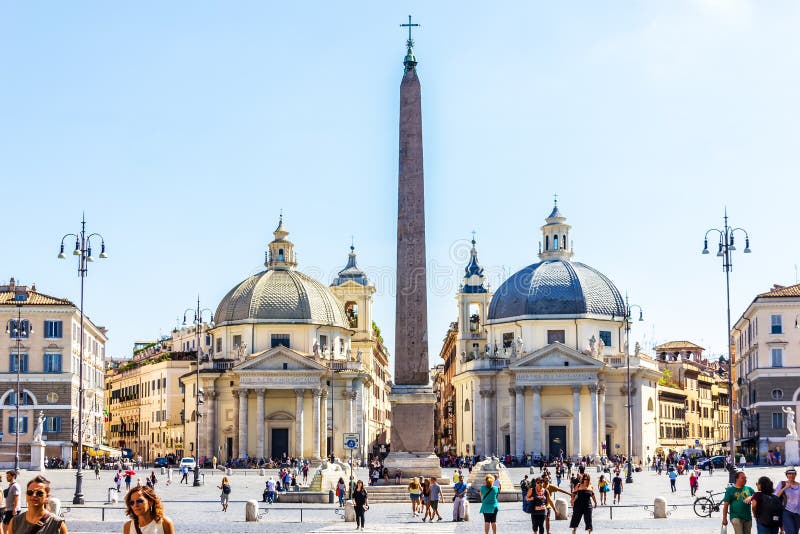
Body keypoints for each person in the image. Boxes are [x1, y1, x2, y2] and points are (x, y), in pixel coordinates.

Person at [776, 467, 800, 534]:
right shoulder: (782, 483)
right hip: (786, 512)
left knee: (795, 532)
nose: (791, 475)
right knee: (791, 532)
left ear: (795, 474)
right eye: (789, 474)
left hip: (798, 513)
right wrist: (785, 487)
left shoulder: (799, 485)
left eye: (793, 474)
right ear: (786, 475)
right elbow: (776, 496)